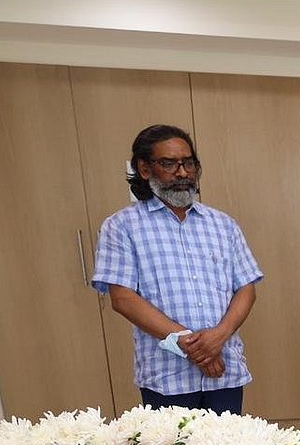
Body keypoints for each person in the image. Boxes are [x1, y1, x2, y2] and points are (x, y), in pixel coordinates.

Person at [92, 124, 263, 415]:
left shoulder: (223, 224)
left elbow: (246, 287)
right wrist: (193, 345)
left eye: (189, 163)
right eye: (169, 163)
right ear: (145, 169)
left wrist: (219, 336)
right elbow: (123, 299)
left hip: (224, 368)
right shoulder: (121, 226)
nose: (182, 173)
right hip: (166, 376)